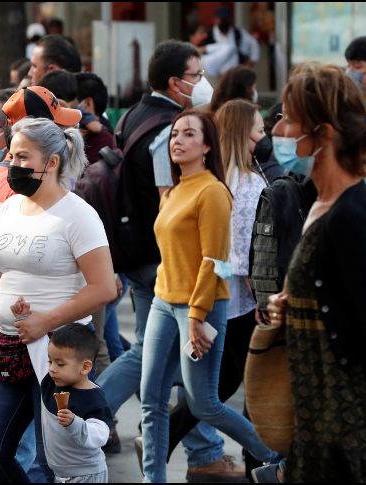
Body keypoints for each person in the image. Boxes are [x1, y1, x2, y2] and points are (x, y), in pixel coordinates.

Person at [96, 41, 241, 481]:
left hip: (156, 264)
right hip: (163, 265)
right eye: (197, 76)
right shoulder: (166, 130)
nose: (203, 84)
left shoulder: (137, 116)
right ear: (177, 83)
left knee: (161, 372)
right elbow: (171, 206)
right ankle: (87, 412)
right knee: (160, 369)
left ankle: (198, 452)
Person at [0, 117, 116, 483]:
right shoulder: (11, 207)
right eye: (11, 155)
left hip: (58, 353)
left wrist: (47, 320)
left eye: (23, 157)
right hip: (10, 348)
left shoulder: (79, 214)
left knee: (54, 460)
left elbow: (104, 287)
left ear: (53, 162)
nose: (13, 164)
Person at [255, 63, 366, 483]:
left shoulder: (351, 214)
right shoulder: (318, 202)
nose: (277, 130)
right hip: (317, 418)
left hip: (348, 425)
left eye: (290, 120)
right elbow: (331, 291)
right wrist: (290, 304)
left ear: (324, 134)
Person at [139, 109, 281, 482]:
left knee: (205, 402)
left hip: (200, 307)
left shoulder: (214, 191)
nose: (178, 141)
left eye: (188, 134)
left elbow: (217, 261)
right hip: (162, 300)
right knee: (151, 400)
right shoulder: (172, 192)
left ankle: (278, 457)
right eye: (174, 134)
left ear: (206, 146)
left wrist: (197, 314)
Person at [12, 306, 113, 484]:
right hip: (61, 475)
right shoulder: (50, 380)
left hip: (87, 475)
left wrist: (75, 424)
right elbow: (36, 344)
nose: (52, 368)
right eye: (50, 361)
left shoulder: (93, 397)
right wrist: (23, 317)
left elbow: (101, 435)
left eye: (60, 363)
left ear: (86, 367)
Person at [203, 6, 260, 77]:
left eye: (225, 19)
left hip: (236, 75)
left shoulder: (238, 33)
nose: (223, 22)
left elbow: (253, 44)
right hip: (215, 77)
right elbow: (201, 51)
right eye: (221, 19)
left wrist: (251, 63)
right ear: (215, 19)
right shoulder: (209, 35)